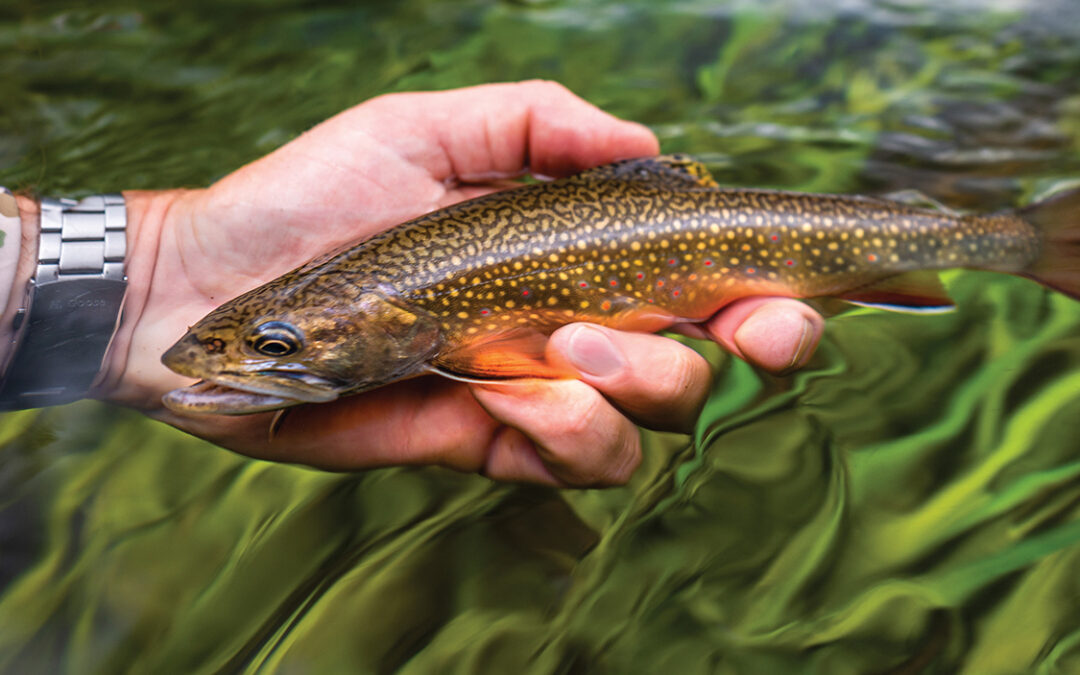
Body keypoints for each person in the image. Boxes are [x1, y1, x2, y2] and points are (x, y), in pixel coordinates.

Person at [0, 81, 824, 487]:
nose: (219, 362)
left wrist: (130, 284)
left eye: (273, 345)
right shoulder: (407, 321)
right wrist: (130, 293)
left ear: (401, 320)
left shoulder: (429, 325)